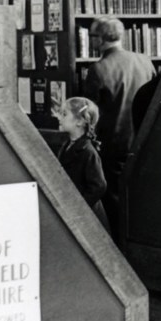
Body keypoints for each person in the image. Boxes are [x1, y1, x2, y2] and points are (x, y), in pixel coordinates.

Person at [83, 15, 157, 233]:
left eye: (92, 36)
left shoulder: (98, 69)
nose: (91, 41)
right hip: (143, 142)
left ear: (101, 39)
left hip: (113, 146)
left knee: (114, 206)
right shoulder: (144, 60)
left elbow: (90, 113)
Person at [56, 96, 110, 231]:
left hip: (89, 216)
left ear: (79, 121)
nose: (58, 117)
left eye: (64, 114)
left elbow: (99, 186)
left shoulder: (88, 152)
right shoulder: (67, 145)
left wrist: (80, 207)